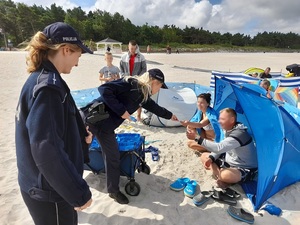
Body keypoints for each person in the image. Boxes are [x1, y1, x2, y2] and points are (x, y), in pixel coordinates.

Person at [15, 22, 93, 225]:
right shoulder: (48, 88)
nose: (77, 63)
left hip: (40, 184)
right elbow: (45, 148)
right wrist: (78, 192)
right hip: (50, 192)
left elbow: (48, 126)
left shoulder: (41, 78)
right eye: (78, 55)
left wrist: (79, 132)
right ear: (66, 50)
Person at [89, 69, 178, 204]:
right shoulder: (131, 84)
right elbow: (104, 89)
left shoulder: (142, 96)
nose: (159, 90)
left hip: (106, 128)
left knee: (113, 157)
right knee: (78, 153)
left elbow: (155, 108)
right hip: (92, 120)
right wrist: (122, 111)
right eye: (160, 86)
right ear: (153, 82)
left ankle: (113, 191)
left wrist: (170, 115)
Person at [186, 108, 257, 189]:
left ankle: (221, 176)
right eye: (219, 118)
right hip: (229, 160)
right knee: (204, 157)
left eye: (222, 119)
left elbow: (219, 148)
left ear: (232, 120)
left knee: (225, 175)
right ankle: (221, 177)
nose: (219, 121)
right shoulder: (229, 129)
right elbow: (221, 147)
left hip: (245, 167)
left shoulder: (239, 134)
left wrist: (197, 138)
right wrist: (211, 158)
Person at [119, 40, 147, 120]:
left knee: (138, 99)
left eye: (134, 49)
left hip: (137, 81)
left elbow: (144, 69)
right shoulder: (123, 57)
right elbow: (121, 70)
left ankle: (138, 116)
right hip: (127, 80)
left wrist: (138, 78)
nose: (133, 50)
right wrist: (125, 77)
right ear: (128, 47)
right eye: (131, 49)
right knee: (125, 98)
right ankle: (126, 115)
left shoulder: (141, 57)